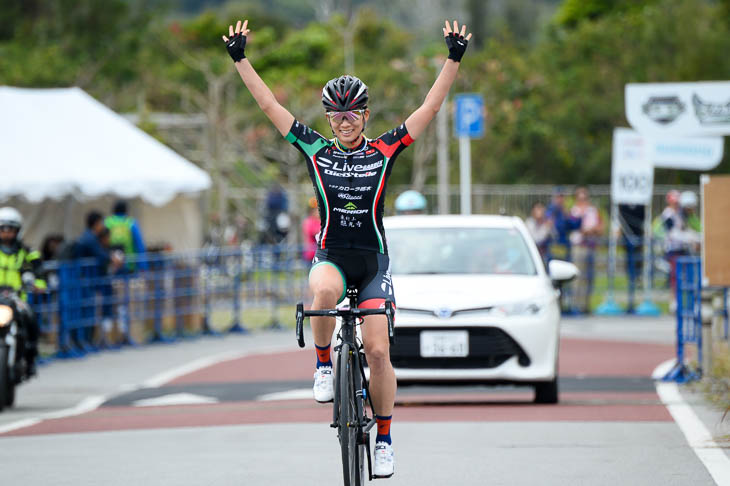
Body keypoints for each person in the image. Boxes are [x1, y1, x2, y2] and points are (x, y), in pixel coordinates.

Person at [222, 18, 472, 478]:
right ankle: (322, 367)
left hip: (373, 262)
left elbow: (430, 108)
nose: (344, 121)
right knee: (320, 295)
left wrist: (453, 59)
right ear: (326, 117)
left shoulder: (384, 150)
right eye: (335, 114)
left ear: (366, 115)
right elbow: (269, 105)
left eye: (352, 113)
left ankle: (384, 437)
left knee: (378, 352)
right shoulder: (315, 150)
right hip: (333, 256)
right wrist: (240, 59)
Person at [0, 207, 46, 376]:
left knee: (31, 321)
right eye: (2, 229)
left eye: (10, 229)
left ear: (17, 231)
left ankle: (30, 360)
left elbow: (39, 271)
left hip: (17, 298)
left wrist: (37, 284)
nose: (6, 234)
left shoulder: (27, 252)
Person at [569, 187, 603, 314]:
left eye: (585, 198)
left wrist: (592, 230)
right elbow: (575, 227)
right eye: (580, 198)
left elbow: (600, 227)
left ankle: (586, 305)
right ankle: (576, 305)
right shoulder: (574, 211)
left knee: (589, 277)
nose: (583, 201)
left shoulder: (593, 211)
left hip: (591, 246)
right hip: (579, 246)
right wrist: (587, 230)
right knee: (577, 277)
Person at [618, 203, 645, 313]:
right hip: (627, 239)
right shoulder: (623, 206)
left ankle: (637, 278)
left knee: (638, 262)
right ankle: (632, 280)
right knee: (629, 265)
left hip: (638, 238)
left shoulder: (640, 206)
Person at [105, 200, 146, 271]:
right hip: (130, 264)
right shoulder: (131, 223)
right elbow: (139, 245)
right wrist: (143, 266)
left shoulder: (107, 222)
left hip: (112, 264)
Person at [301, 197, 320, 262]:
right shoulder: (309, 221)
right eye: (314, 209)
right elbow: (315, 233)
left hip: (322, 255)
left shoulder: (322, 221)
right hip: (311, 255)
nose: (317, 211)